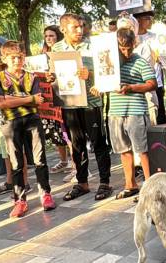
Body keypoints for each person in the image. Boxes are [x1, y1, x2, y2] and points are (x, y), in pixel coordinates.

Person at [0, 41, 56, 217]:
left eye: (20, 56)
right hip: (11, 123)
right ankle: (20, 200)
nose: (17, 60)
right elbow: (1, 103)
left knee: (40, 158)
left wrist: (14, 98)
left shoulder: (31, 77)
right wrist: (28, 99)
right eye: (13, 57)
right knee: (17, 162)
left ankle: (45, 194)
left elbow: (39, 100)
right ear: (4, 59)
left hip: (32, 120)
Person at [52, 13, 112, 201]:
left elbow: (107, 70)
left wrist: (92, 74)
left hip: (91, 103)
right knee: (76, 145)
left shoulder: (93, 46)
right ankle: (82, 182)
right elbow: (54, 75)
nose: (80, 30)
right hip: (69, 103)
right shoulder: (57, 48)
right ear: (63, 29)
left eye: (82, 26)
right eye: (74, 27)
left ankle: (104, 182)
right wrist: (50, 77)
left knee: (99, 142)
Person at [106, 28, 157, 199]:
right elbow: (100, 82)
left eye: (129, 48)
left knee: (143, 150)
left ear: (134, 44)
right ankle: (130, 185)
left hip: (136, 111)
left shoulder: (140, 62)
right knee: (123, 149)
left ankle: (150, 186)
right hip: (115, 112)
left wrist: (132, 87)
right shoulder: (108, 64)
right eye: (122, 49)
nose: (126, 52)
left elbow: (152, 83)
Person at [0, 48, 30, 196]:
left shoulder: (7, 78)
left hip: (12, 119)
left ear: (0, 61)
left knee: (17, 150)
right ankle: (10, 181)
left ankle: (24, 182)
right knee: (6, 151)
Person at [40, 25, 73, 179]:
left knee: (67, 131)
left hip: (63, 97)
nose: (49, 38)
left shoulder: (62, 52)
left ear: (58, 37)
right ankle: (63, 160)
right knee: (55, 132)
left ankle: (76, 164)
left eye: (52, 35)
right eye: (46, 36)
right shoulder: (42, 55)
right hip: (48, 100)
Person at [134, 11, 166, 125]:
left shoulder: (155, 37)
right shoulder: (131, 38)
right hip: (137, 82)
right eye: (147, 18)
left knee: (159, 115)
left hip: (155, 81)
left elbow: (162, 55)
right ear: (138, 21)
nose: (150, 21)